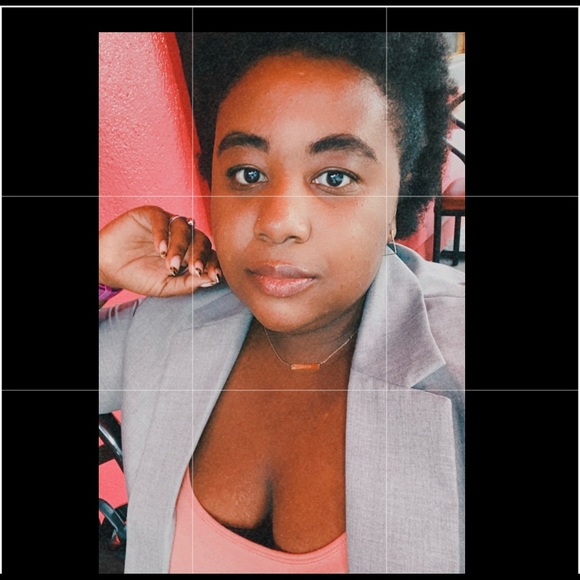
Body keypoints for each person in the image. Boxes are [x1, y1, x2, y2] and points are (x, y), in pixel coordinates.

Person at [99, 31, 465, 574]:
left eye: (335, 177)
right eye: (248, 174)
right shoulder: (171, 322)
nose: (278, 222)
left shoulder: (453, 359)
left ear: (400, 191)